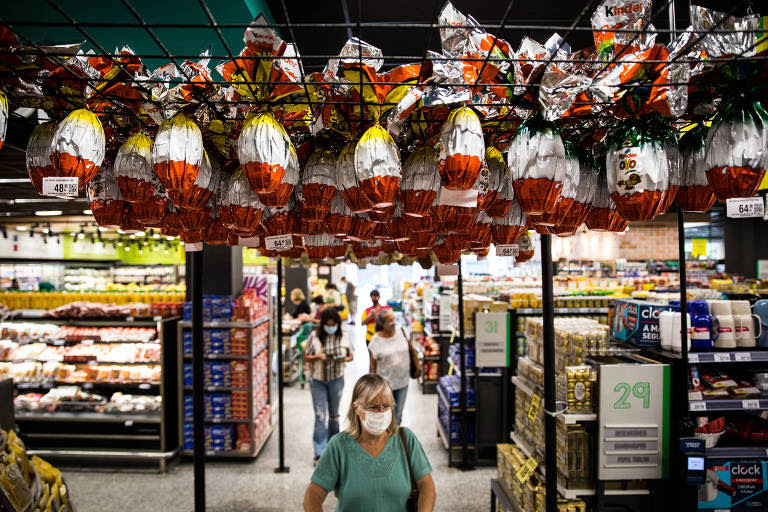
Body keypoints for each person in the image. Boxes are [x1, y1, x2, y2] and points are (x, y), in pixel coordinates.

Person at [303, 374, 436, 512]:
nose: (382, 412)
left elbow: (426, 485)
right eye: (374, 407)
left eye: (386, 406)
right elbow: (312, 495)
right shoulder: (339, 446)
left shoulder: (406, 440)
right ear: (357, 408)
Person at [303, 308, 354, 465]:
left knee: (334, 415)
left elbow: (351, 356)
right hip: (318, 380)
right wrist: (318, 356)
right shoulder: (315, 336)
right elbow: (306, 356)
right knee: (320, 415)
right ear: (323, 324)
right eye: (328, 324)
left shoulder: (344, 336)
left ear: (338, 324)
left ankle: (334, 448)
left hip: (336, 379)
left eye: (333, 324)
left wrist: (342, 359)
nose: (331, 327)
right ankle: (319, 453)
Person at [368, 309, 411, 425]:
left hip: (403, 381)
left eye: (393, 319)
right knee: (386, 416)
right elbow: (372, 367)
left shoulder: (402, 332)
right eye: (389, 320)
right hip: (384, 385)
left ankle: (394, 441)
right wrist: (372, 389)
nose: (393, 322)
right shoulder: (375, 340)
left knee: (397, 416)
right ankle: (385, 441)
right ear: (382, 324)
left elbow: (411, 350)